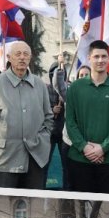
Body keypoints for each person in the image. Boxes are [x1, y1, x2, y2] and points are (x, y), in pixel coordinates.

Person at [0, 41, 53, 189]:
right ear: (9, 57)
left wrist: (43, 139)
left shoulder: (40, 85)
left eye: (26, 54)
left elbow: (49, 117)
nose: (22, 58)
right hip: (6, 158)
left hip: (36, 156)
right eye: (17, 54)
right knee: (4, 206)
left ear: (30, 58)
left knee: (34, 205)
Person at [65, 40, 109, 194]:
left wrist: (103, 148)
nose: (100, 60)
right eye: (96, 57)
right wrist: (85, 147)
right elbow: (70, 122)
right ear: (89, 58)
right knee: (81, 207)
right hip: (79, 157)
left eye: (104, 56)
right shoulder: (75, 87)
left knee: (106, 209)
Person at [47, 55, 68, 189]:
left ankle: (67, 191)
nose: (57, 74)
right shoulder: (44, 89)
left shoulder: (68, 89)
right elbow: (38, 108)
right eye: (54, 72)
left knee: (66, 166)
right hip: (48, 132)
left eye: (60, 72)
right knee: (44, 164)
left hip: (64, 134)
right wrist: (51, 110)